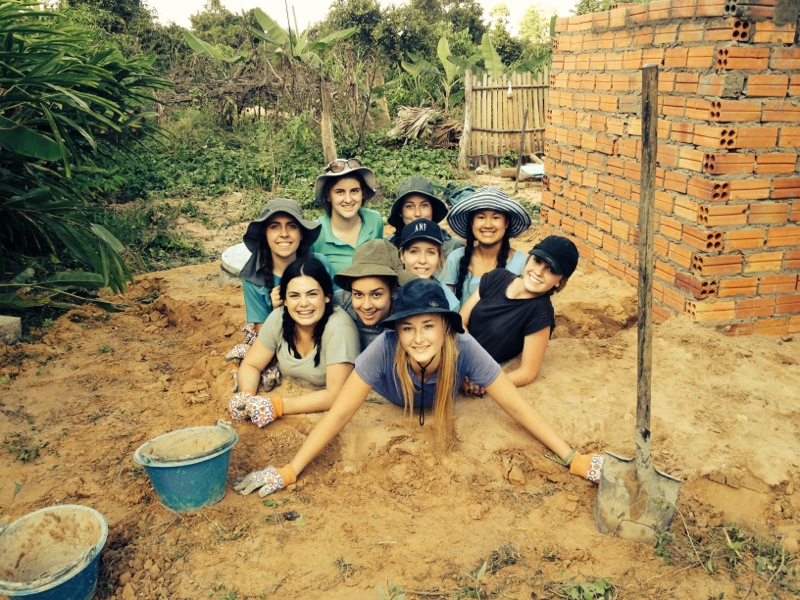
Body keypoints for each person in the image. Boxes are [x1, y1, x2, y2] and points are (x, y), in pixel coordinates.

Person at [232, 278, 603, 498]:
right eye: (408, 327)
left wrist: (573, 459)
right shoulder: (383, 348)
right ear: (397, 330)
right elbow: (341, 412)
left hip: (445, 397)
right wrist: (292, 469)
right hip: (395, 400)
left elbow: (517, 406)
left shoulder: (466, 347)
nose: (418, 337)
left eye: (428, 326)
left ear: (446, 327)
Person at [228, 256, 360, 428]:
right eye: (294, 296)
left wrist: (277, 406)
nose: (303, 303)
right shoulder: (279, 317)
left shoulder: (339, 328)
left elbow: (335, 395)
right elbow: (251, 364)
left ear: (327, 296)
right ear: (285, 300)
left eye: (312, 294)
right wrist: (247, 393)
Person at [225, 198, 333, 391]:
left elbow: (336, 306)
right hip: (277, 336)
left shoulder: (320, 264)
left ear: (301, 234)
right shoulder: (254, 277)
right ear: (265, 234)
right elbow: (262, 333)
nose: (284, 234)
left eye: (291, 226)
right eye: (275, 227)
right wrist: (277, 310)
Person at [460, 236, 579, 389]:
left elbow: (527, 372)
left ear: (559, 281)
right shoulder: (497, 277)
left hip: (474, 370)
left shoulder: (540, 313)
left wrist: (485, 383)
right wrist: (466, 358)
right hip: (454, 349)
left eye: (551, 269)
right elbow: (460, 321)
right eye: (537, 261)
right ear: (529, 259)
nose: (538, 272)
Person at [444, 187, 532, 303]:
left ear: (506, 223)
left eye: (496, 217)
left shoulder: (522, 264)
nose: (488, 225)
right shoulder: (455, 258)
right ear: (472, 222)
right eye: (481, 217)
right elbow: (446, 305)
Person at [333, 239, 416, 349]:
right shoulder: (342, 301)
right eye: (358, 294)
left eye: (376, 295)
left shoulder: (407, 314)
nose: (366, 306)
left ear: (393, 290)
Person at [310, 158, 384, 273]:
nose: (348, 200)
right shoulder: (315, 232)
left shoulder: (375, 221)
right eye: (340, 192)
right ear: (328, 196)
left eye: (354, 191)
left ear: (363, 193)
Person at [385, 176, 464, 258]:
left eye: (424, 205)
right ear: (400, 212)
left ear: (433, 209)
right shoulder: (387, 247)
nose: (418, 213)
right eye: (409, 206)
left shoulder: (453, 247)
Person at [398, 218, 460, 311]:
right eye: (414, 251)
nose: (422, 260)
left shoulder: (450, 302)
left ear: (439, 256)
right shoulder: (388, 294)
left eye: (430, 252)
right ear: (402, 255)